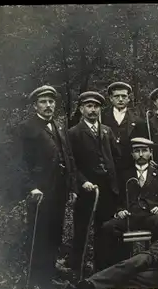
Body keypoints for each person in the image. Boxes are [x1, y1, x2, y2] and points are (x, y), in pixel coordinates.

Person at [14, 85, 78, 289]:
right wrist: (31, 187)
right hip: (40, 192)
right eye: (43, 102)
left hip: (58, 190)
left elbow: (68, 158)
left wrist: (72, 186)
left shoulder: (58, 127)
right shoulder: (27, 128)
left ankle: (49, 275)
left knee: (54, 232)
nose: (48, 105)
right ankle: (35, 281)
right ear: (35, 106)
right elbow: (19, 161)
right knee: (38, 234)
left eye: (51, 102)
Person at [100, 137, 158, 268]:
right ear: (132, 154)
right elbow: (117, 197)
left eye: (144, 150)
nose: (140, 154)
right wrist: (119, 210)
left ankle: (157, 264)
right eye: (137, 151)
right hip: (130, 216)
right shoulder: (124, 174)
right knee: (108, 227)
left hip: (150, 215)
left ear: (150, 153)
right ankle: (118, 266)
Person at [68, 91, 120, 273]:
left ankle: (103, 269)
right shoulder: (73, 133)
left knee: (105, 229)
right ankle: (77, 271)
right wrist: (82, 182)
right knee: (82, 229)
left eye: (96, 106)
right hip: (87, 189)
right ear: (81, 109)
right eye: (89, 106)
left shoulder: (107, 130)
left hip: (107, 189)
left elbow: (116, 157)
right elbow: (71, 163)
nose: (92, 110)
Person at [100, 82, 149, 179]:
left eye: (124, 96)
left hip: (130, 167)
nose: (121, 99)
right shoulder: (102, 117)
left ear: (128, 98)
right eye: (117, 96)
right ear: (111, 98)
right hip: (108, 167)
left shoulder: (138, 119)